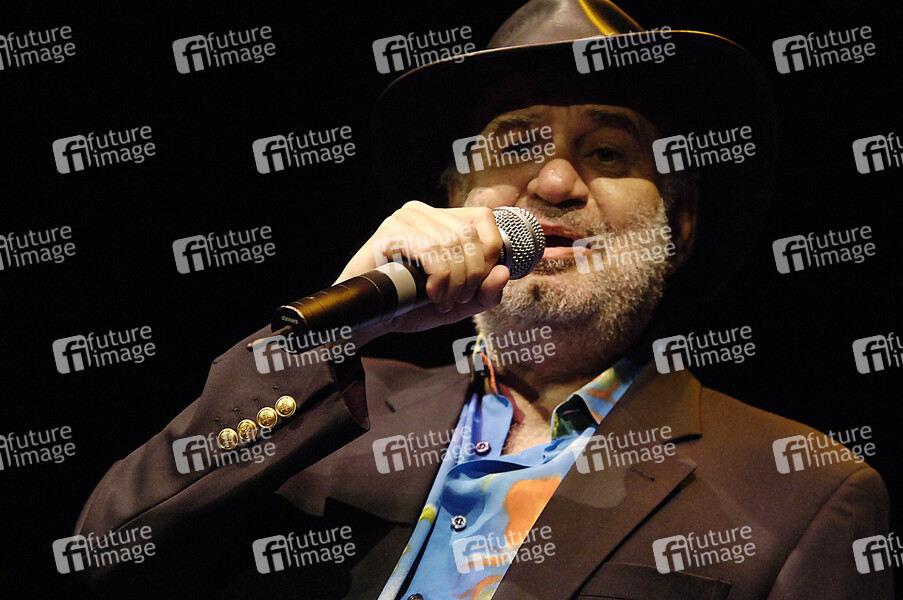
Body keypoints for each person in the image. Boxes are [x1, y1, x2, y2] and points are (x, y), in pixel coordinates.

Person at [75, 1, 892, 598]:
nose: (555, 182)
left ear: (676, 225)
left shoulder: (801, 490)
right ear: (452, 203)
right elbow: (106, 558)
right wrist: (329, 335)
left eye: (608, 152)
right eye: (514, 146)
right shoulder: (325, 414)